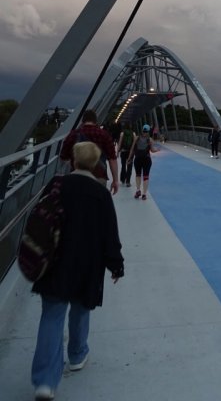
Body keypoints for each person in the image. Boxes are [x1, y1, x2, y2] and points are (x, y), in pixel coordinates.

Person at [31, 141, 124, 400]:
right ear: (96, 164)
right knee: (82, 309)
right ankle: (77, 354)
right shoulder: (100, 194)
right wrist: (116, 264)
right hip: (87, 264)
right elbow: (109, 234)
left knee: (51, 317)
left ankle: (45, 382)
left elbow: (39, 218)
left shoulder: (56, 185)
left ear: (72, 161)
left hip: (54, 262)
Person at [60, 109, 119, 195]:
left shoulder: (73, 134)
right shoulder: (104, 135)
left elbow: (63, 157)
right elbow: (112, 159)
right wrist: (115, 180)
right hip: (99, 176)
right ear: (95, 121)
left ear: (83, 121)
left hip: (77, 177)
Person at [127, 123, 158, 200]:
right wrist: (157, 150)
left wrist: (129, 158)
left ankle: (138, 190)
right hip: (147, 160)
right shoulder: (150, 139)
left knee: (138, 175)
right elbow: (152, 150)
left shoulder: (136, 138)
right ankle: (144, 194)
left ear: (142, 130)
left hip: (137, 159)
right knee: (146, 176)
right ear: (148, 131)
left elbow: (132, 149)